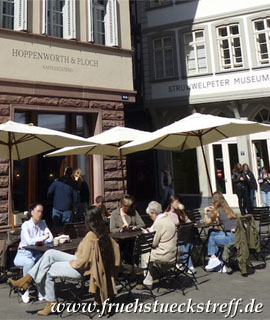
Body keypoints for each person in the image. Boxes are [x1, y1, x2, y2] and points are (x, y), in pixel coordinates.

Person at [8, 206, 120, 316]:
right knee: (50, 253)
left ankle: (49, 301)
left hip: (82, 268)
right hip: (85, 263)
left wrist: (73, 263)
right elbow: (114, 252)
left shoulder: (91, 236)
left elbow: (82, 262)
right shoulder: (104, 234)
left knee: (48, 269)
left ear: (89, 220)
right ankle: (26, 281)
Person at [13, 203, 53, 303]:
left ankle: (41, 290)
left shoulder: (42, 223)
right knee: (29, 263)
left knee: (43, 261)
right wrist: (44, 237)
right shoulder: (25, 225)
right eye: (38, 211)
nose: (40, 214)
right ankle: (25, 289)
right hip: (23, 253)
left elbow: (51, 237)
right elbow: (28, 242)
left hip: (35, 253)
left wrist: (38, 239)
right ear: (32, 212)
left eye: (41, 212)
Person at [137, 201, 177, 290]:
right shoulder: (168, 219)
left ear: (153, 213)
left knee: (145, 253)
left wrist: (146, 233)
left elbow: (153, 243)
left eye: (150, 215)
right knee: (149, 253)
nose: (150, 217)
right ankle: (166, 274)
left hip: (165, 254)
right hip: (174, 252)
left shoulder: (159, 223)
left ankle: (147, 282)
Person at [204, 191, 237, 273]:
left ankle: (213, 258)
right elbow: (219, 223)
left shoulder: (217, 210)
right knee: (212, 232)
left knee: (212, 237)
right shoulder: (228, 209)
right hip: (236, 236)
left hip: (230, 238)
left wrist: (205, 212)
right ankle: (216, 259)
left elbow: (207, 222)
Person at [165, 196, 195, 274]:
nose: (178, 204)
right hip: (172, 237)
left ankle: (182, 262)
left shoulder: (177, 212)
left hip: (179, 236)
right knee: (184, 243)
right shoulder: (167, 214)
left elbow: (188, 221)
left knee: (188, 243)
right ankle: (188, 265)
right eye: (176, 202)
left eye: (178, 202)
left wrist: (182, 211)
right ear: (171, 203)